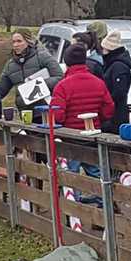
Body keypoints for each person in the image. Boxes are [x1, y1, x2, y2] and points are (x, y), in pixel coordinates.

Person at [51, 44, 114, 202]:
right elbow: (108, 109)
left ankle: (74, 208)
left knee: (71, 175)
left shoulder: (62, 86)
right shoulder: (98, 83)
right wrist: (97, 119)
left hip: (70, 138)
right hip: (92, 136)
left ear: (66, 62)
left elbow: (57, 115)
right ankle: (104, 204)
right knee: (96, 172)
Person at [0, 29, 62, 119]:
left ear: (28, 42)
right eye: (13, 42)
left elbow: (59, 78)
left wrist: (37, 85)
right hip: (25, 114)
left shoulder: (43, 56)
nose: (15, 45)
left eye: (19, 41)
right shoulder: (10, 65)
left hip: (46, 112)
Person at [101, 30, 131, 134]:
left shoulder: (118, 67)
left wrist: (107, 102)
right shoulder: (112, 65)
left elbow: (119, 92)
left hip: (116, 114)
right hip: (114, 112)